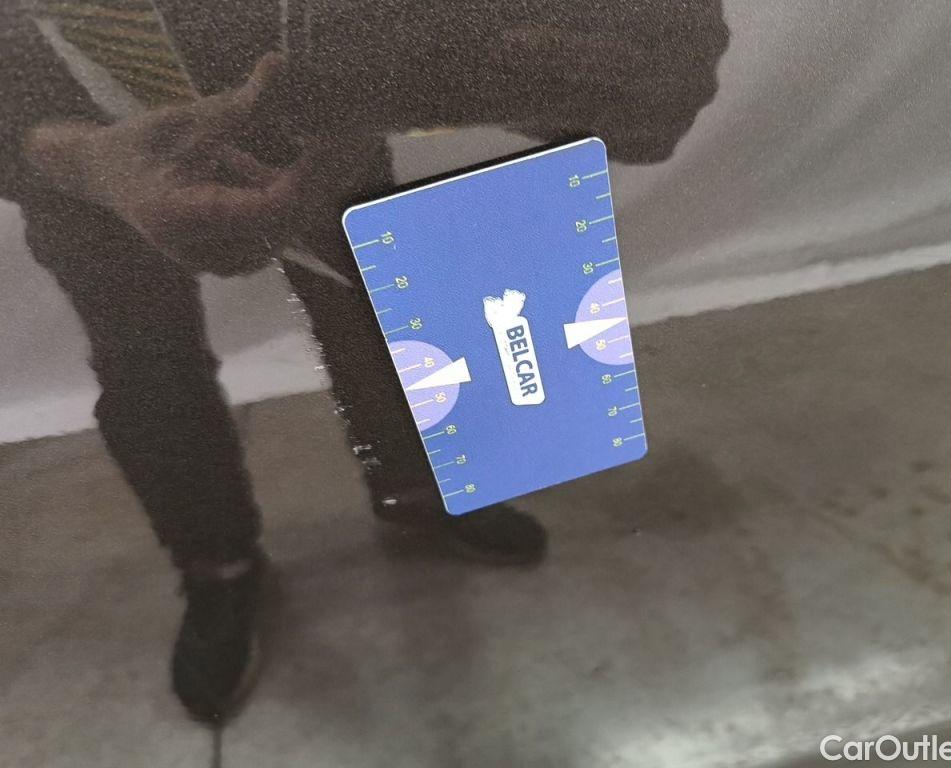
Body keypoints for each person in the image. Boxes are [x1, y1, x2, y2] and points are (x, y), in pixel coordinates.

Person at [2, 0, 727, 724]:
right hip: (82, 149)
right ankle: (217, 561)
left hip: (312, 105)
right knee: (147, 368)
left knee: (373, 314)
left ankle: (412, 492)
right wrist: (74, 158)